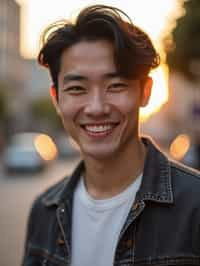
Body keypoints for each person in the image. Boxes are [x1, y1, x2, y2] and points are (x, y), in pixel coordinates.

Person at [22, 4, 200, 266]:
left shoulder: (195, 205)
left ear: (145, 91)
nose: (96, 108)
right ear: (56, 99)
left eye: (115, 85)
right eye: (77, 88)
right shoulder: (43, 212)